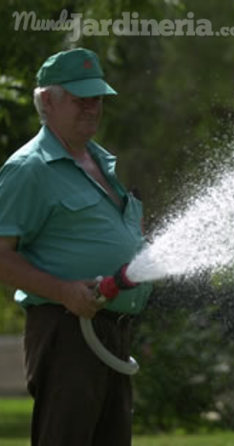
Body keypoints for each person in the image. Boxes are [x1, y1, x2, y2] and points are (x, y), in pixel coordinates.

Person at [0, 48, 152, 446]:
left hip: (112, 331)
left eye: (97, 98)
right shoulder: (28, 169)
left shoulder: (102, 162)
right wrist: (64, 292)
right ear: (47, 101)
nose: (91, 107)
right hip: (67, 332)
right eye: (79, 98)